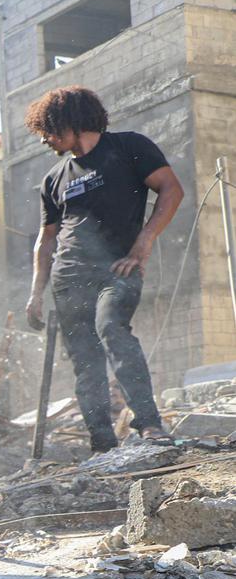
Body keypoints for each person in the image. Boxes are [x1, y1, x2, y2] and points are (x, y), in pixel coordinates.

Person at [23, 85, 181, 450]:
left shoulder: (129, 148)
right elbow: (46, 239)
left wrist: (145, 242)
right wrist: (35, 293)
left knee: (111, 327)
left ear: (70, 122)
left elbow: (171, 190)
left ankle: (150, 425)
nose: (45, 139)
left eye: (49, 130)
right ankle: (102, 443)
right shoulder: (54, 178)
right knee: (85, 359)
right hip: (68, 277)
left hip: (118, 269)